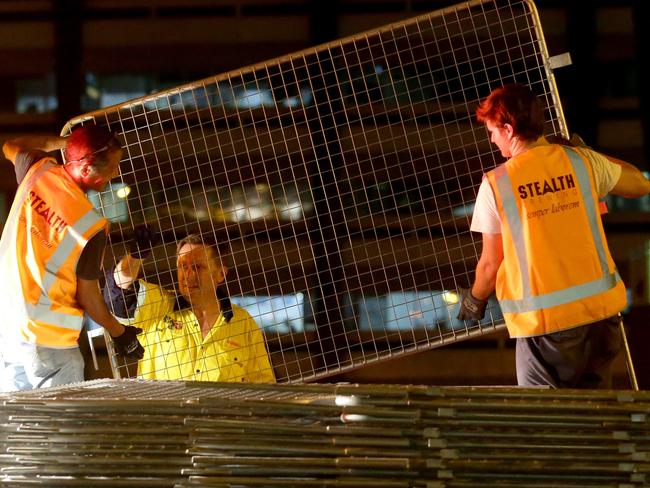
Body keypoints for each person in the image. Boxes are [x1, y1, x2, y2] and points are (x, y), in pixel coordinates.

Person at [457, 83, 650, 388]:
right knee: (597, 420)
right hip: (601, 318)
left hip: (545, 327)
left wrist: (474, 298)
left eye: (492, 131)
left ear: (508, 129)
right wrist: (590, 154)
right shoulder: (580, 162)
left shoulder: (497, 184)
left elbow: (491, 265)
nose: (492, 139)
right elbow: (640, 183)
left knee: (545, 423)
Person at [0, 126, 144, 392]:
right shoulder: (91, 225)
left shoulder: (37, 170)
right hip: (50, 341)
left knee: (13, 425)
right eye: (112, 168)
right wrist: (119, 333)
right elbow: (87, 295)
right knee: (60, 430)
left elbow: (12, 144)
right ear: (87, 168)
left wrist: (69, 143)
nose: (115, 174)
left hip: (7, 329)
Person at [103, 228, 276, 383]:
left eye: (198, 267)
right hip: (163, 418)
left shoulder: (244, 324)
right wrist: (135, 257)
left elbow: (263, 386)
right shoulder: (159, 305)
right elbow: (118, 292)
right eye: (182, 266)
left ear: (221, 274)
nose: (188, 275)